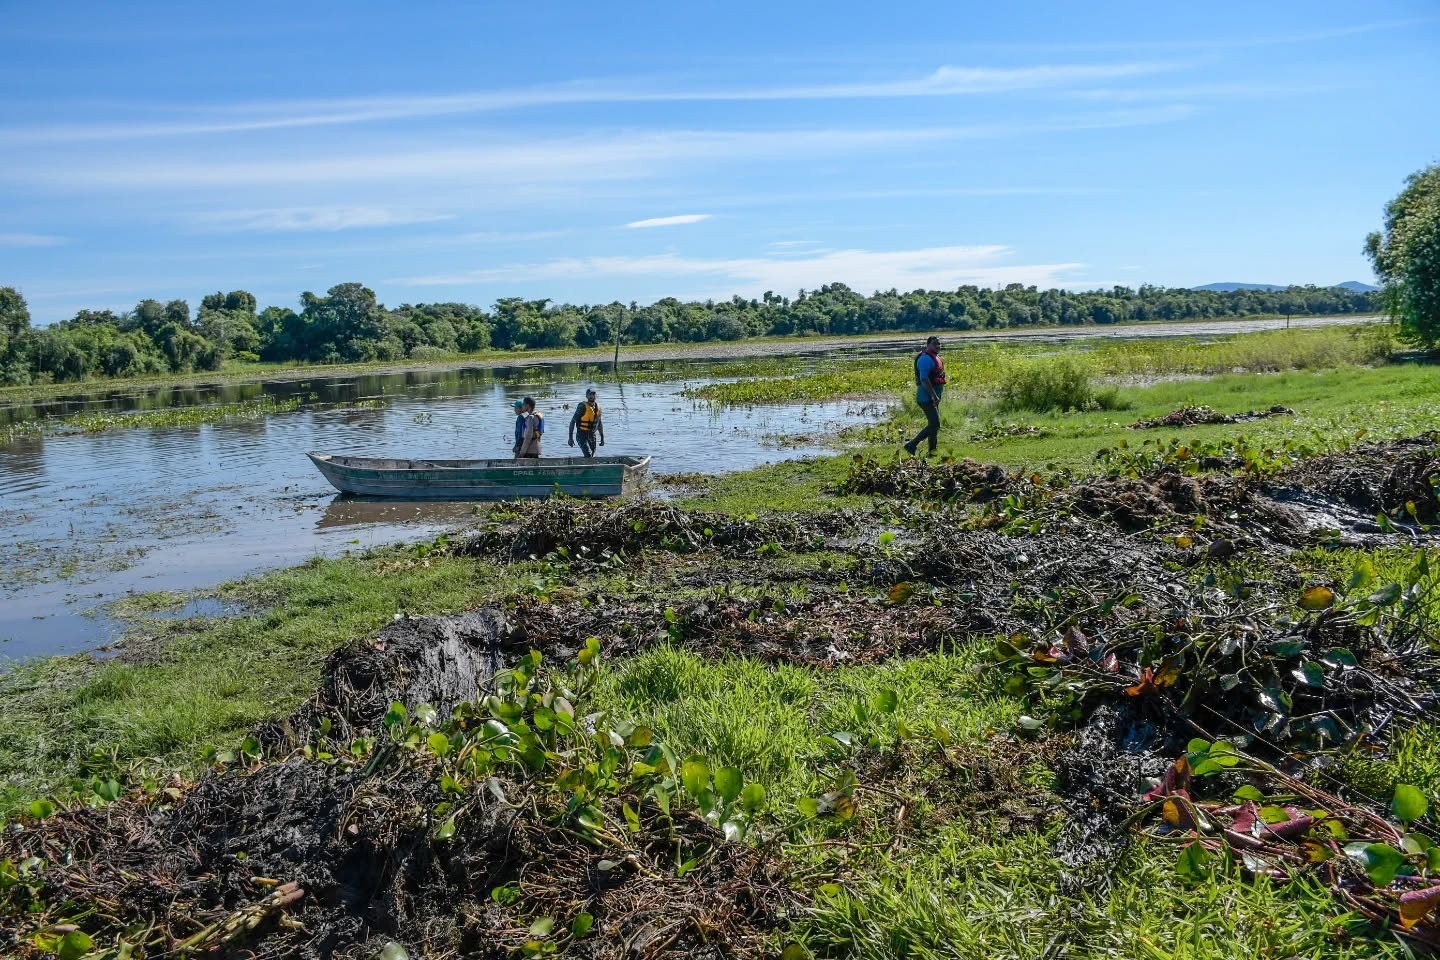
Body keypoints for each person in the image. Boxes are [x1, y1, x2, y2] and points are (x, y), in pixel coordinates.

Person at [904, 336, 946, 456]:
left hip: (933, 398)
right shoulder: (925, 359)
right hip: (926, 398)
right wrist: (934, 396)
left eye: (939, 344)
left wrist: (936, 397)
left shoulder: (935, 357)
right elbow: (924, 379)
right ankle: (911, 444)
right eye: (934, 344)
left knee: (933, 425)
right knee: (935, 424)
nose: (937, 346)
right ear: (928, 345)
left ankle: (932, 451)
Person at [568, 388, 605, 457]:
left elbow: (599, 424)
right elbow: (573, 422)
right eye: (590, 394)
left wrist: (602, 438)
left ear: (596, 396)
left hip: (592, 435)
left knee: (592, 456)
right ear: (586, 396)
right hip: (581, 435)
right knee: (588, 455)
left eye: (593, 394)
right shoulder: (582, 407)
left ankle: (585, 464)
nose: (591, 396)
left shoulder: (598, 408)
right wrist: (570, 438)